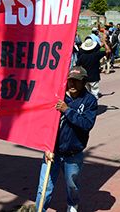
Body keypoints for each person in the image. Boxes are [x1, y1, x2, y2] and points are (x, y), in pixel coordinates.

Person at [34, 66, 97, 212]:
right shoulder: (57, 96)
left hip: (73, 154)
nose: (73, 84)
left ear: (84, 82)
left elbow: (87, 124)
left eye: (77, 81)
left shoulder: (90, 101)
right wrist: (47, 147)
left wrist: (67, 110)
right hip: (52, 152)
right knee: (44, 187)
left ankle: (72, 203)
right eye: (70, 81)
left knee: (72, 185)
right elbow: (45, 123)